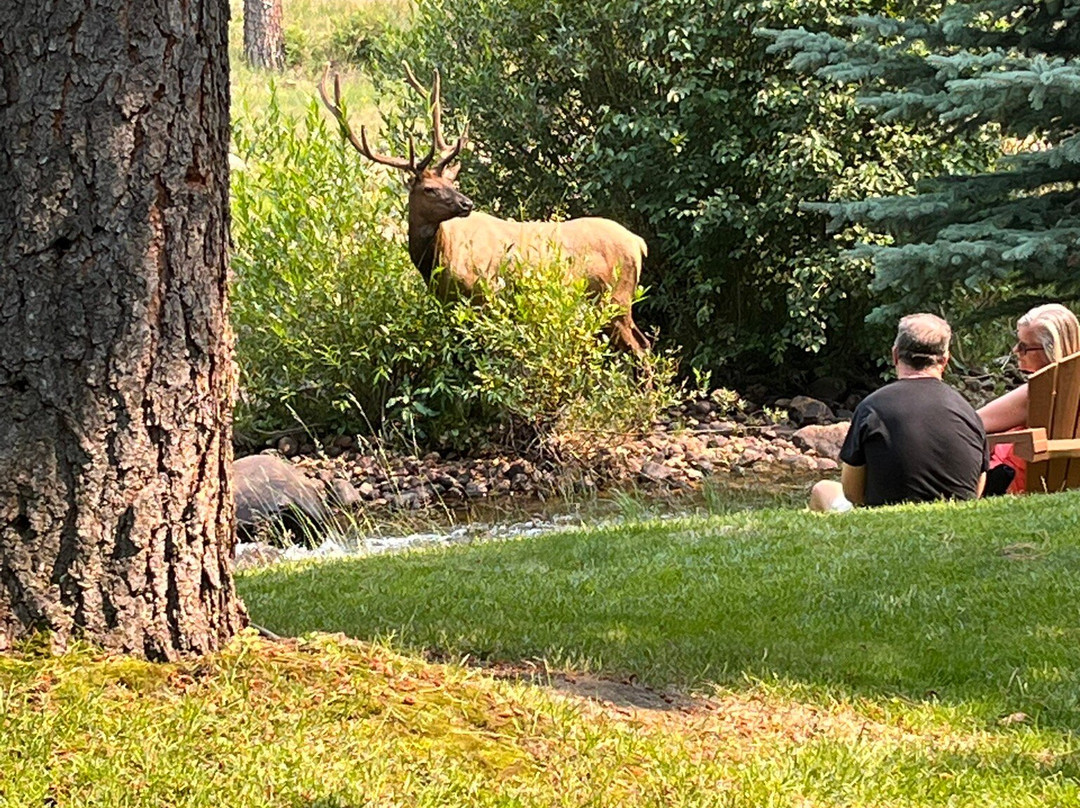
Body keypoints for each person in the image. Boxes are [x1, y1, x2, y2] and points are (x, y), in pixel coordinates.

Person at [810, 313, 988, 511]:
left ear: (895, 354)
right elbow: (977, 488)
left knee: (823, 489)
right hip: (954, 520)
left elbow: (852, 494)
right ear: (945, 360)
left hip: (882, 521)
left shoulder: (872, 407)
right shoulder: (969, 412)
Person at [977, 303, 1080, 495]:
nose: (1016, 350)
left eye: (1024, 347)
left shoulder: (1040, 391)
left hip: (1018, 478)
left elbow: (973, 423)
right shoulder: (1072, 391)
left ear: (1050, 350)